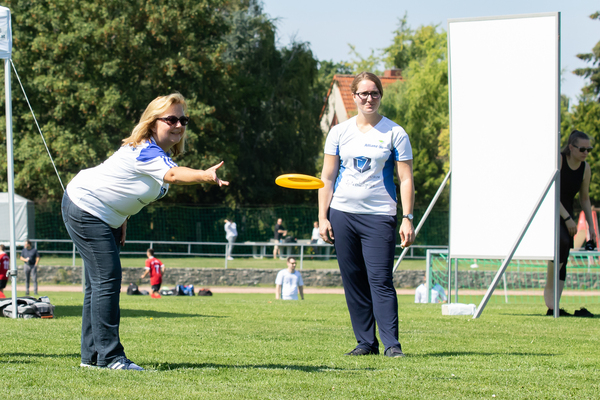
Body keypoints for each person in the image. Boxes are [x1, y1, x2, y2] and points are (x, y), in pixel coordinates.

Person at [62, 93, 229, 370]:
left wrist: (123, 217)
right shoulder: (145, 150)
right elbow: (173, 176)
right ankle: (110, 357)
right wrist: (204, 175)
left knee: (98, 284)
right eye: (171, 119)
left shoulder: (157, 154)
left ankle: (92, 358)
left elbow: (123, 185)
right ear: (153, 122)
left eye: (183, 120)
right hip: (86, 207)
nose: (179, 125)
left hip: (106, 215)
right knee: (107, 280)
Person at [318, 71, 415, 358]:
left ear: (380, 95)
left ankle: (392, 345)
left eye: (374, 93)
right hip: (342, 214)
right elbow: (327, 177)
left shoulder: (395, 133)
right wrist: (323, 217)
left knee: (380, 280)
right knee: (354, 281)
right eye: (363, 93)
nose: (369, 98)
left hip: (379, 215)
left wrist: (407, 217)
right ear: (355, 96)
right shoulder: (339, 132)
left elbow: (406, 179)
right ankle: (365, 343)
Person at [544, 130, 595, 318]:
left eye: (589, 149)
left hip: (568, 212)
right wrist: (566, 218)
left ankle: (553, 307)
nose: (586, 153)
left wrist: (591, 227)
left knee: (564, 254)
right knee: (562, 242)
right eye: (582, 149)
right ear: (571, 147)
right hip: (552, 209)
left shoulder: (585, 168)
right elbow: (552, 191)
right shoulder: (559, 160)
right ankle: (550, 288)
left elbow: (585, 199)